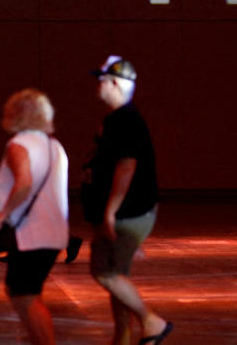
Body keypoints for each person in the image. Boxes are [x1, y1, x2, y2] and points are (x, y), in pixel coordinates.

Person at [83, 56, 173, 345]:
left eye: (102, 79)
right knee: (116, 275)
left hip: (128, 213)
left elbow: (127, 167)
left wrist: (110, 212)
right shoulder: (115, 120)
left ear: (114, 84)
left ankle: (151, 322)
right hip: (122, 212)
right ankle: (121, 336)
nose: (98, 84)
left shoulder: (126, 121)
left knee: (105, 272)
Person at [0, 88, 69, 345]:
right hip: (55, 231)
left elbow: (24, 183)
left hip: (32, 233)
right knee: (23, 290)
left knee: (25, 294)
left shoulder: (19, 144)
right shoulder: (54, 145)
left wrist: (3, 214)